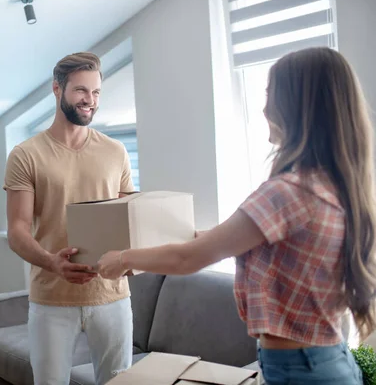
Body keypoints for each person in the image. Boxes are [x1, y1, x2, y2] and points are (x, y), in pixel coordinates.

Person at [97, 47, 372, 384]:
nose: (263, 106)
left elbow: (189, 259)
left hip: (302, 370)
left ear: (296, 104)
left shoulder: (286, 192)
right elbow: (228, 241)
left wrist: (122, 258)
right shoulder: (330, 186)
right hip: (321, 362)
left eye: (270, 93)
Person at [4, 52, 135, 385]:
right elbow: (18, 230)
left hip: (112, 296)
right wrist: (52, 262)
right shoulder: (26, 154)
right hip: (52, 299)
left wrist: (136, 255)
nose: (89, 101)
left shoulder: (115, 151)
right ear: (57, 90)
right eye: (81, 91)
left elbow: (129, 219)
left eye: (96, 92)